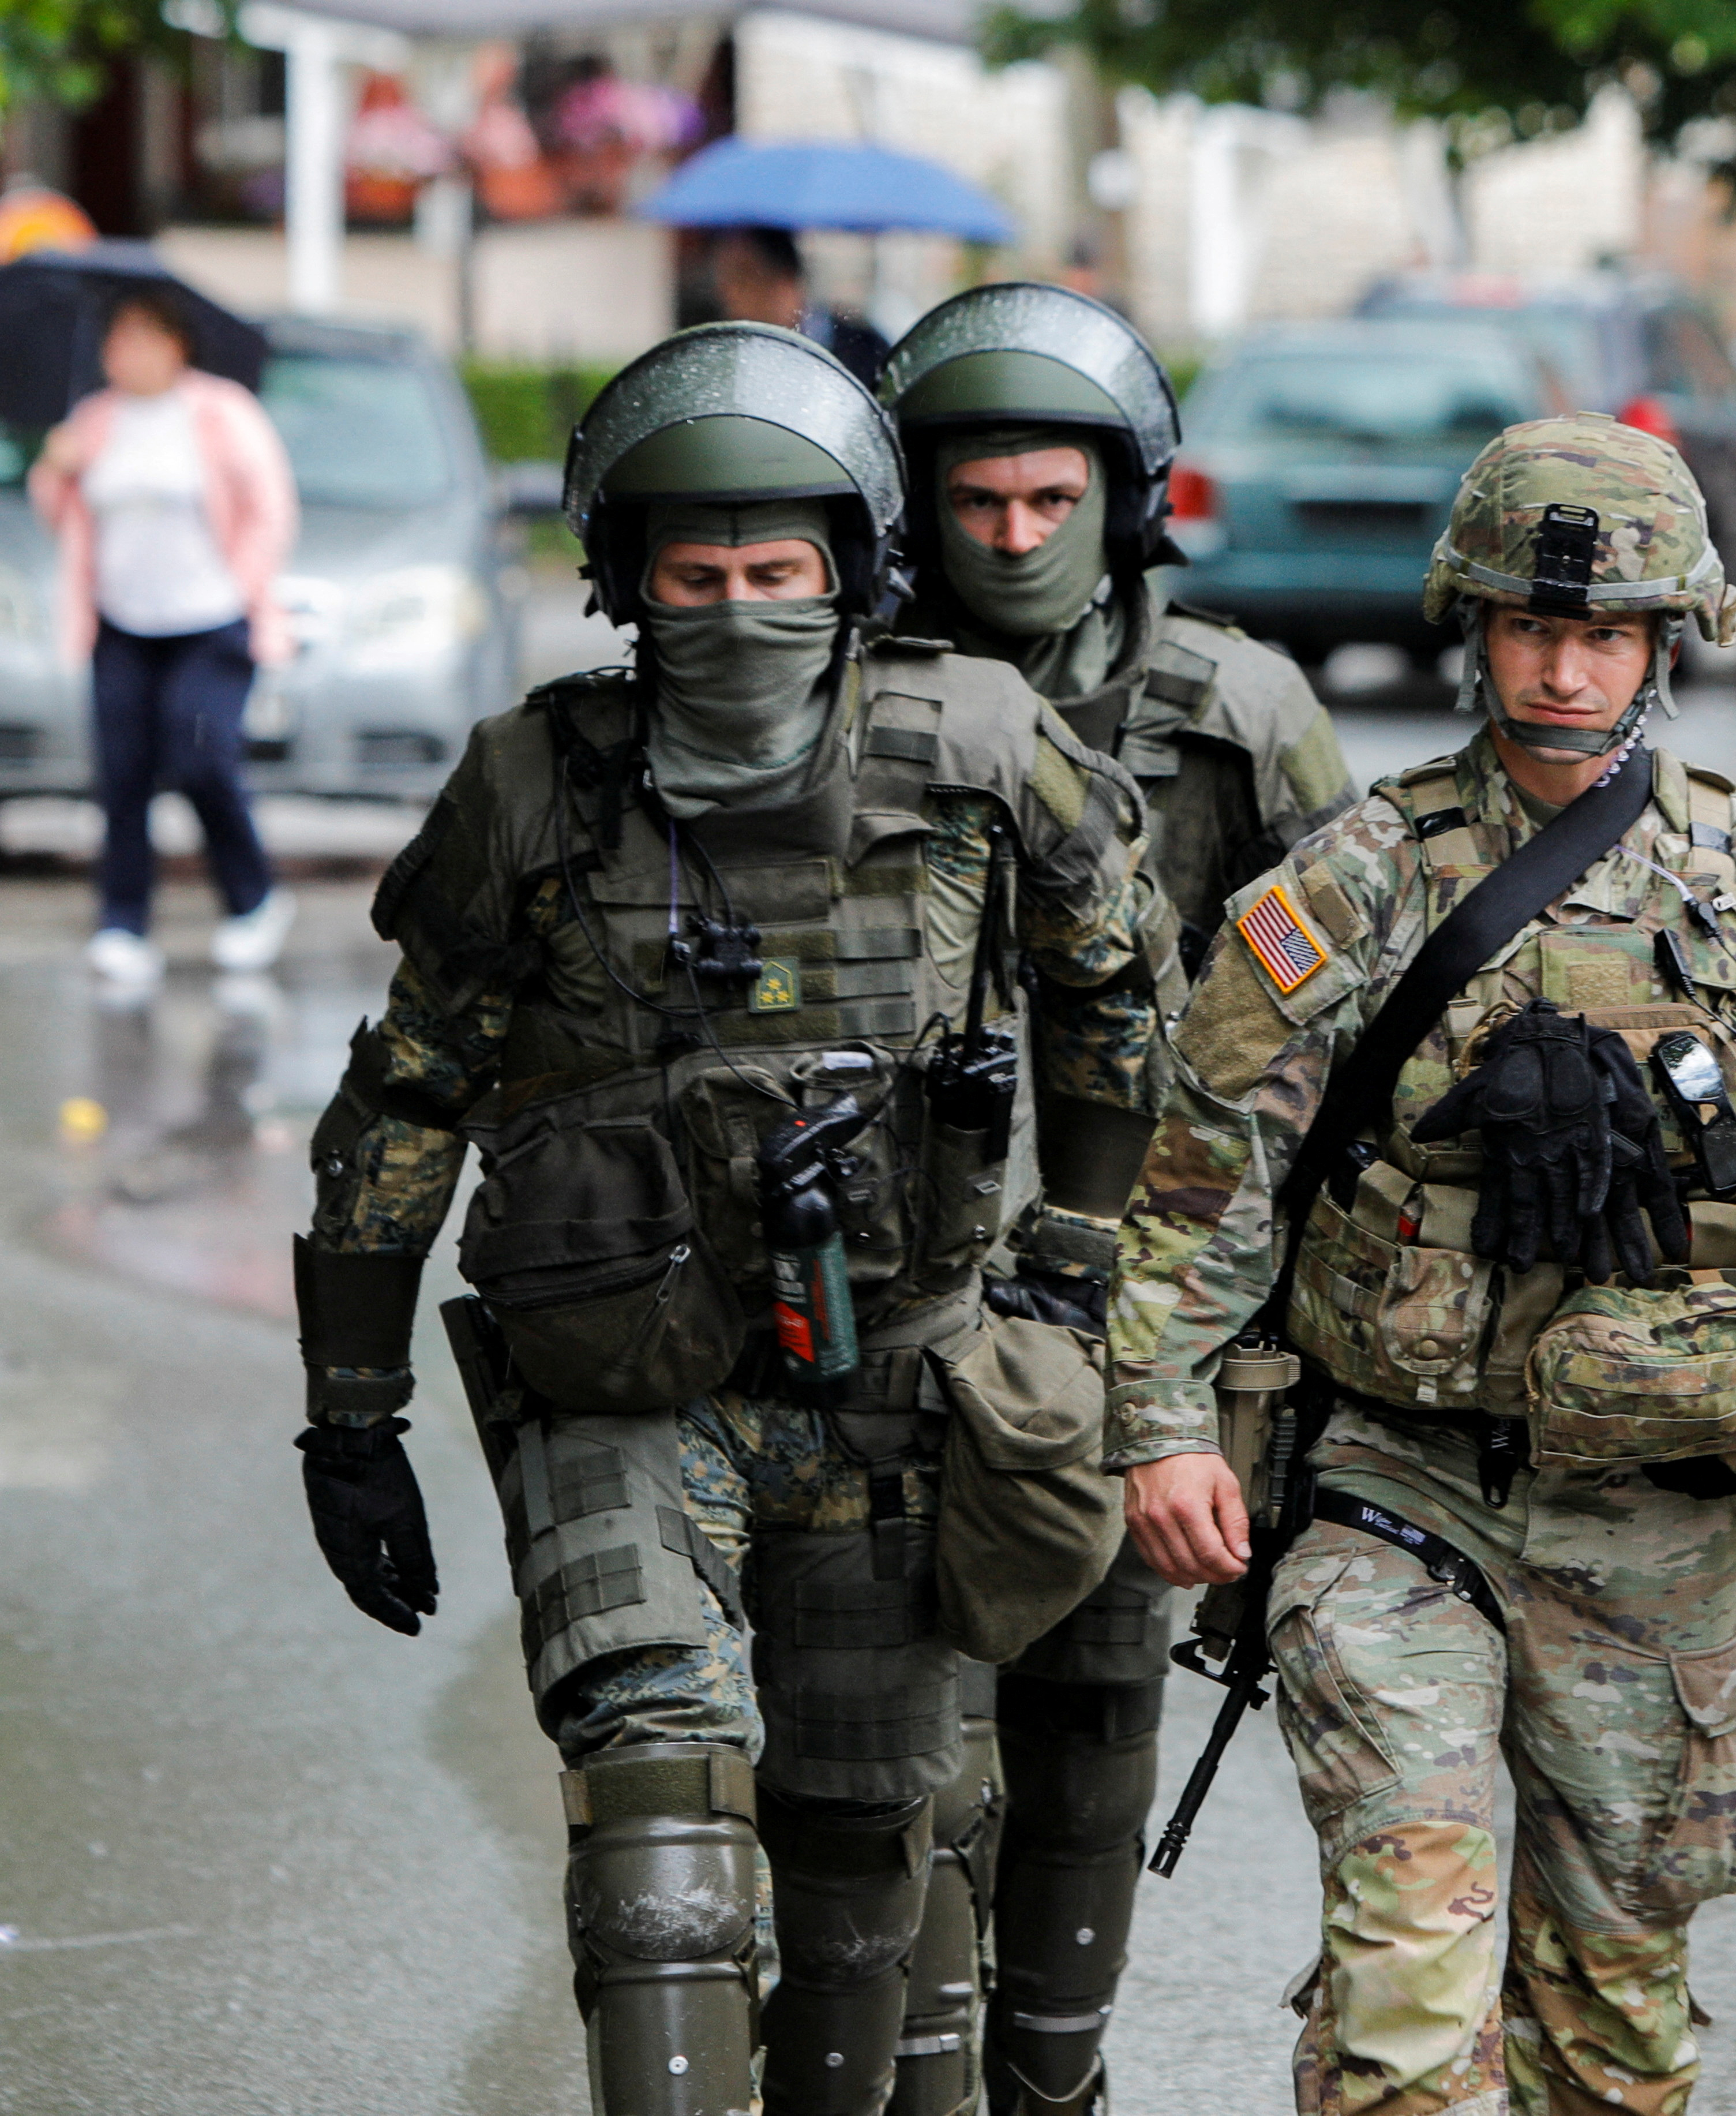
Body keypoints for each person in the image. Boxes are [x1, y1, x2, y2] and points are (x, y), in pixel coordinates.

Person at [287, 321, 1175, 2116]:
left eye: (780, 572)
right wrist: (352, 1412)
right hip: (621, 1384)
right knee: (660, 1819)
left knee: (867, 1843)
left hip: (897, 1380)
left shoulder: (981, 746)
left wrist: (1077, 1249)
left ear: (852, 573)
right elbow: (406, 1097)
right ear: (626, 581)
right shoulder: (530, 787)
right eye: (695, 575)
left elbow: (1120, 1000)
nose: (738, 610)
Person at [1112, 413, 1736, 2115]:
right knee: (1408, 2001)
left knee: (1614, 2032)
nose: (1567, 665)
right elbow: (1206, 1164)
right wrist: (1158, 1421)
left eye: (1603, 632)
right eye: (1533, 625)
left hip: (1652, 1525)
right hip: (1391, 1489)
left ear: (1666, 640)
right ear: (1476, 626)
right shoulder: (1361, 882)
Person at [877, 280, 1356, 2116]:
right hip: (885, 1298)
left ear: (1121, 497)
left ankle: (1053, 2080)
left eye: (1044, 503)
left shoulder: (1235, 715)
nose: (1010, 539)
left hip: (1130, 1324)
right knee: (882, 1748)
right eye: (975, 504)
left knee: (1092, 1723)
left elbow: (1346, 1044)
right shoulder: (841, 691)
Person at [31, 284, 298, 991]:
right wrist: (53, 469)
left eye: (143, 338)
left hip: (209, 620)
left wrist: (240, 584)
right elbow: (65, 518)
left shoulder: (220, 412)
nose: (127, 353)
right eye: (117, 340)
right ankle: (123, 923)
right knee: (122, 775)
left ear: (176, 345)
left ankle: (253, 898)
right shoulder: (94, 419)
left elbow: (271, 508)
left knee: (201, 754)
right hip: (121, 622)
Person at [713, 224, 891, 387]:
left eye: (744, 276)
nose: (730, 293)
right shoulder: (722, 356)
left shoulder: (865, 349)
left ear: (785, 278)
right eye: (723, 279)